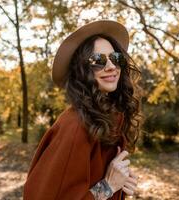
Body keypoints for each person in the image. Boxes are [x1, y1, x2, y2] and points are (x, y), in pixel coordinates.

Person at [23, 20, 143, 200]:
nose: (111, 66)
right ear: (82, 71)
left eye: (115, 58)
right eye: (98, 60)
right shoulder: (75, 127)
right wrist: (109, 186)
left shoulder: (109, 117)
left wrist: (121, 184)